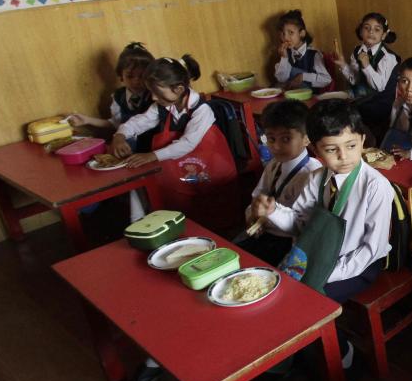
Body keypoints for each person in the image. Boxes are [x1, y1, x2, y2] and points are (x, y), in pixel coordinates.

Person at [274, 99, 394, 368]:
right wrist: (272, 212)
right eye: (331, 149)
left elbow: (371, 249)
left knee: (308, 302)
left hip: (359, 266)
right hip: (319, 255)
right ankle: (299, 352)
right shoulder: (316, 179)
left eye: (351, 146)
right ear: (315, 149)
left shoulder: (375, 186)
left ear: (362, 140)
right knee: (279, 290)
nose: (344, 157)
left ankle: (341, 354)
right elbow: (299, 224)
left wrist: (327, 272)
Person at [110, 55, 238, 230]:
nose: (153, 97)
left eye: (157, 92)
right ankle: (141, 225)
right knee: (142, 179)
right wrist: (120, 135)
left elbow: (187, 144)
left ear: (178, 89)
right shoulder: (163, 106)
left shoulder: (202, 110)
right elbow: (139, 122)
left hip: (210, 170)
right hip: (180, 169)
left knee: (213, 215)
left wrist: (151, 156)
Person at [239, 100, 322, 265]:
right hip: (263, 233)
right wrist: (253, 214)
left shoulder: (313, 173)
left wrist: (272, 212)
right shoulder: (274, 164)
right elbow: (257, 196)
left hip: (289, 243)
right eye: (271, 138)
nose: (276, 146)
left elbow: (302, 226)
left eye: (286, 139)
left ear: (306, 139)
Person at [332, 12, 401, 131]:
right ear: (360, 31)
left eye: (377, 29)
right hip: (363, 99)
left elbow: (380, 87)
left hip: (380, 104)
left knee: (349, 116)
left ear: (384, 35)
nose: (371, 32)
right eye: (367, 28)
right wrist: (343, 65)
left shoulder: (388, 57)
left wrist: (366, 66)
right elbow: (355, 79)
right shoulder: (357, 50)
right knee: (337, 109)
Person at [68, 41, 155, 136]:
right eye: (130, 76)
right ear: (121, 76)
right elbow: (115, 123)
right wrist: (87, 120)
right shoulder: (118, 96)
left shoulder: (154, 95)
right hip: (127, 141)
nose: (136, 81)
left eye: (141, 76)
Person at [273, 9, 332, 90]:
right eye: (283, 33)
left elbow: (326, 80)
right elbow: (282, 79)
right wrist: (284, 58)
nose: (286, 38)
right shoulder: (286, 54)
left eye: (291, 32)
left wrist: (303, 76)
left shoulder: (314, 54)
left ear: (302, 33)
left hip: (310, 96)